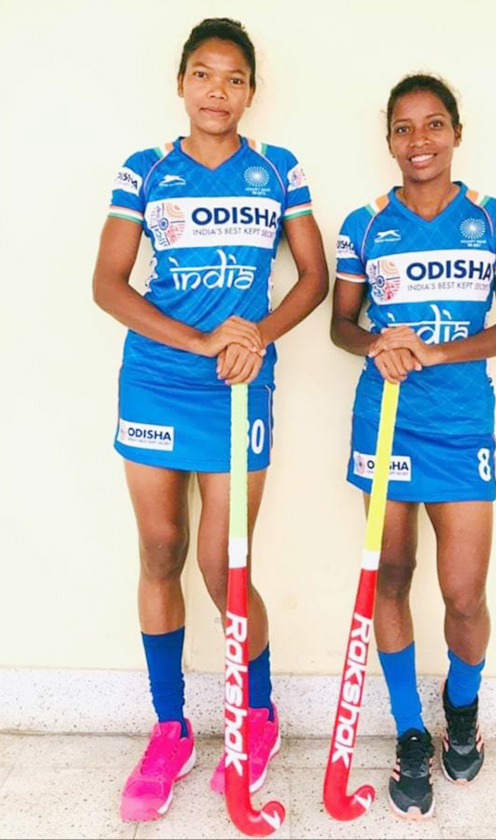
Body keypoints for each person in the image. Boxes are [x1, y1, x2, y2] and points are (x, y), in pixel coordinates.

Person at [93, 17, 328, 822]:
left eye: (233, 77)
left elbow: (313, 276)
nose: (216, 90)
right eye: (203, 74)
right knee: (160, 550)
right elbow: (109, 284)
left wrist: (256, 335)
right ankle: (171, 729)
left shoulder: (278, 169)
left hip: (239, 384)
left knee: (224, 565)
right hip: (158, 378)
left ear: (251, 91)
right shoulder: (146, 169)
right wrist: (197, 340)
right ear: (181, 84)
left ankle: (256, 716)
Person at [332, 74, 496, 820]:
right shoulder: (364, 223)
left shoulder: (494, 218)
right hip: (385, 419)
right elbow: (341, 325)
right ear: (389, 140)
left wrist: (437, 352)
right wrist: (377, 344)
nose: (419, 140)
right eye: (404, 128)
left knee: (464, 594)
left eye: (434, 124)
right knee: (391, 575)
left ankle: (462, 708)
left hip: (461, 423)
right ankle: (411, 731)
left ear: (456, 133)